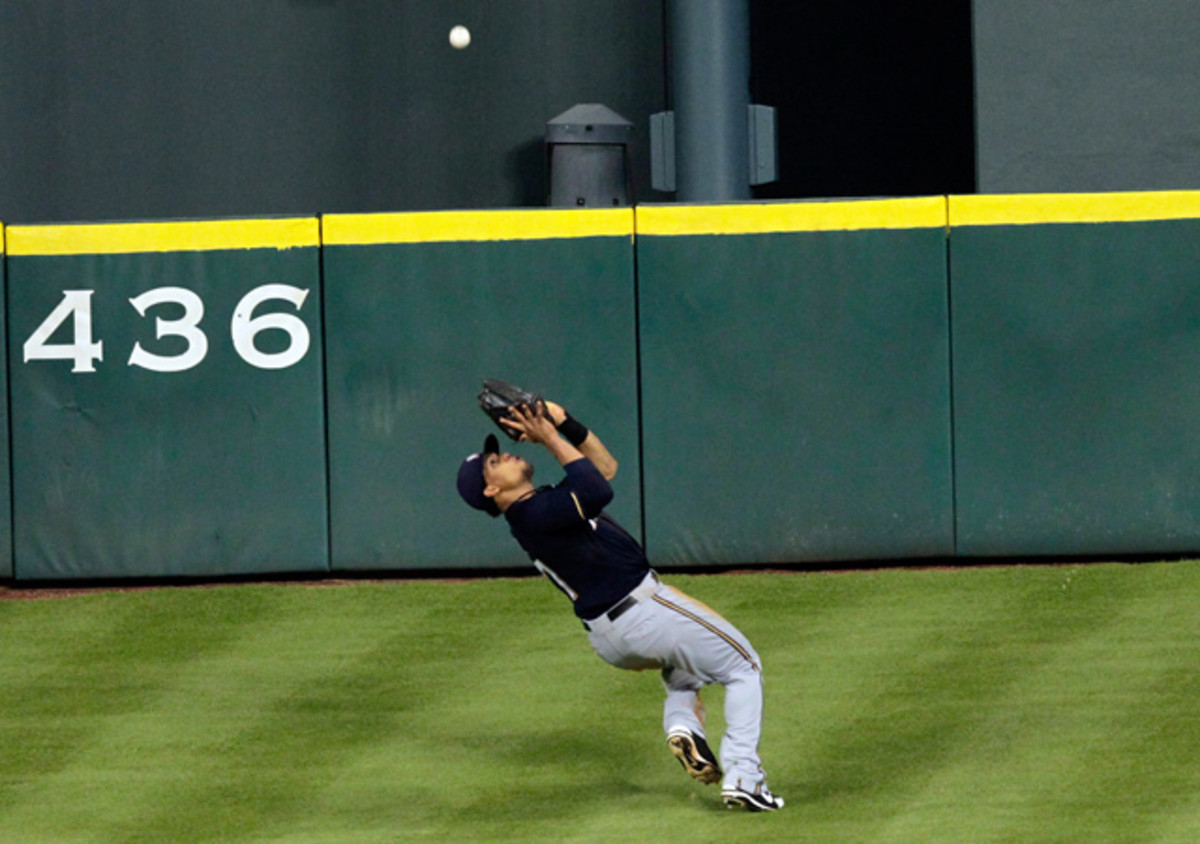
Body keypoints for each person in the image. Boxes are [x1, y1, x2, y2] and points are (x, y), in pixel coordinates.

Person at [456, 398, 783, 811]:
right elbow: (597, 487)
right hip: (642, 611)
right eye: (493, 462)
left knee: (685, 669)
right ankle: (745, 779)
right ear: (492, 489)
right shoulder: (535, 514)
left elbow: (603, 470)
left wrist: (565, 424)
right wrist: (549, 436)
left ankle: (682, 726)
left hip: (612, 636)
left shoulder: (538, 508)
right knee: (743, 667)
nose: (502, 454)